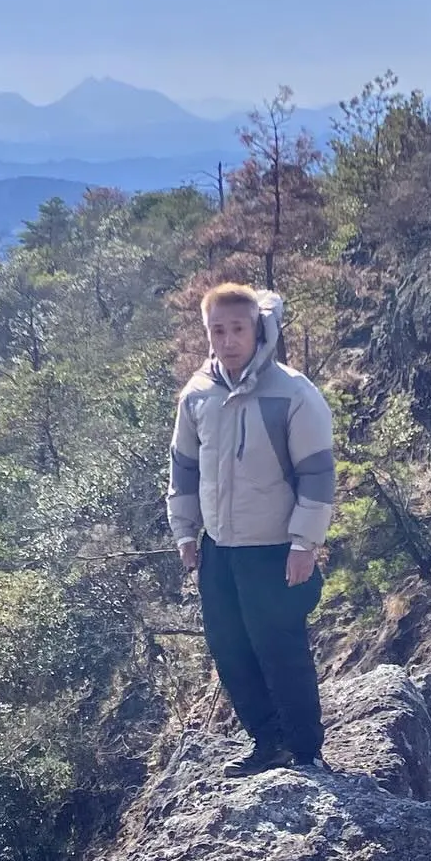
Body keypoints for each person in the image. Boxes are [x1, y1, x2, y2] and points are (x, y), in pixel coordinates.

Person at [167, 283, 336, 777]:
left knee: (280, 649)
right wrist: (184, 533)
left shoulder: (292, 393)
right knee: (231, 648)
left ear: (256, 328)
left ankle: (306, 752)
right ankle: (268, 742)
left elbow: (318, 474)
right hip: (219, 548)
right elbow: (184, 468)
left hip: (275, 549)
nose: (227, 339)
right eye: (217, 330)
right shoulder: (198, 396)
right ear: (207, 333)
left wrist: (304, 542)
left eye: (237, 328)